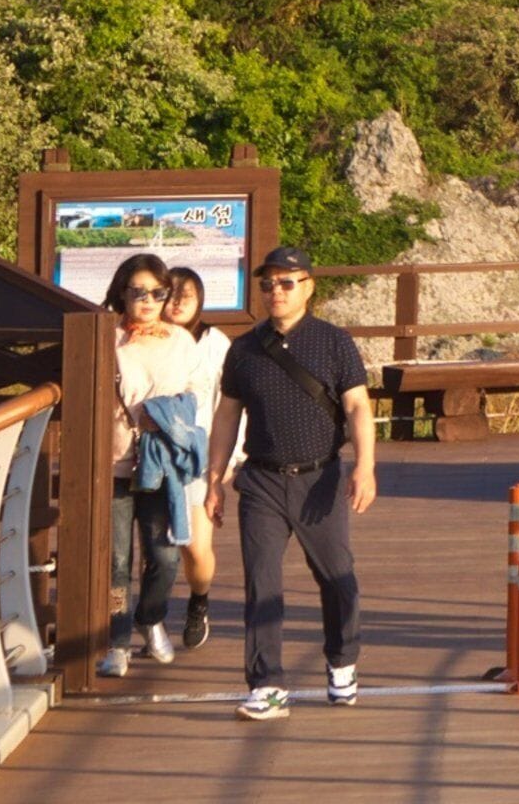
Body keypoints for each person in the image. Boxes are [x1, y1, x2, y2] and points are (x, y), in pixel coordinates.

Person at [205, 245, 375, 721]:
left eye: (285, 282)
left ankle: (342, 663)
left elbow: (357, 406)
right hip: (261, 479)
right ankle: (267, 685)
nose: (275, 291)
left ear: (308, 287)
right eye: (267, 284)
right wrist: (214, 479)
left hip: (320, 477)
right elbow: (226, 415)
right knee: (261, 580)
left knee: (337, 577)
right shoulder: (244, 349)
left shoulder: (334, 342)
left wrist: (365, 466)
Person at [98, 254, 206, 678]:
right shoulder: (107, 335)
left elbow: (197, 393)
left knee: (165, 555)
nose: (147, 300)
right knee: (117, 562)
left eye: (157, 293)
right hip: (113, 462)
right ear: (121, 292)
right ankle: (117, 640)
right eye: (138, 292)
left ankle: (151, 616)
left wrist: (165, 414)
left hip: (162, 464)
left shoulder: (181, 340)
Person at [164, 267, 232, 651]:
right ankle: (151, 617)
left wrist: (229, 461)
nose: (176, 303)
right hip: (152, 456)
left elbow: (231, 405)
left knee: (194, 545)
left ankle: (199, 601)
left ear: (199, 301)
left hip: (199, 458)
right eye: (169, 294)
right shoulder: (146, 338)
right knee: (156, 547)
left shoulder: (215, 343)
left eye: (185, 296)